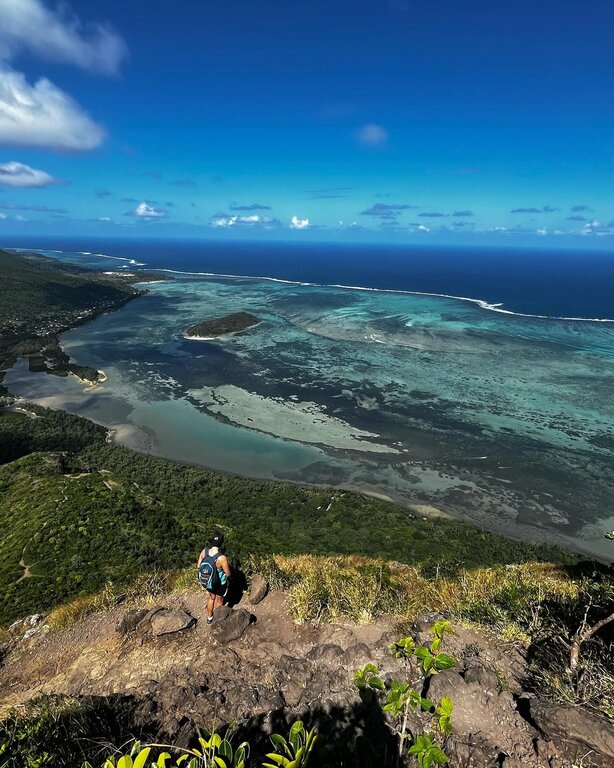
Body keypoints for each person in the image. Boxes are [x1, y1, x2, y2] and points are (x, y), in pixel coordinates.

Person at [197, 532, 231, 625]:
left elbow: (199, 566)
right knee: (219, 600)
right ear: (221, 543)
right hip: (220, 583)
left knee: (211, 598)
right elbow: (228, 573)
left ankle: (209, 618)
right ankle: (218, 619)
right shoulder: (221, 558)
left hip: (209, 582)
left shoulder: (204, 551)